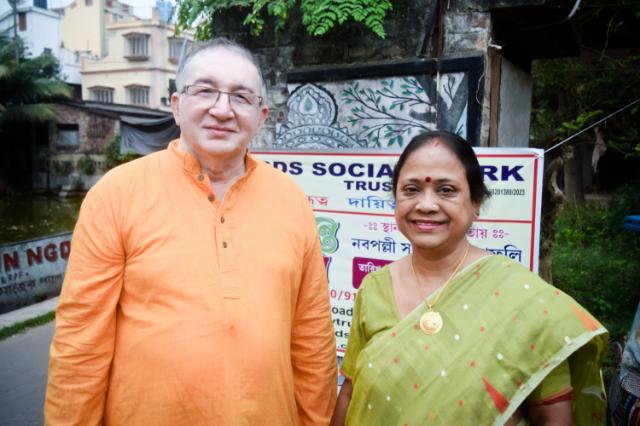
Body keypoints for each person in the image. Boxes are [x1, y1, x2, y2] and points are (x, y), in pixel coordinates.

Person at [45, 38, 338, 425]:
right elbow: (81, 342)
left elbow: (312, 336)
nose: (222, 110)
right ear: (176, 105)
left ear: (261, 116)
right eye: (205, 91)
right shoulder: (116, 195)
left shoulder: (290, 200)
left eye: (241, 97)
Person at [331, 131, 608, 425]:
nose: (426, 204)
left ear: (476, 202)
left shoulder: (523, 299)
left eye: (446, 190)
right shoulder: (374, 288)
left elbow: (553, 416)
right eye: (411, 189)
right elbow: (350, 392)